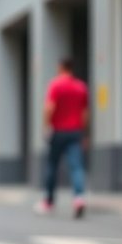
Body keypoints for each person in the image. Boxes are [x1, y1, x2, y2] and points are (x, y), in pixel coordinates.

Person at [36, 58, 89, 218]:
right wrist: (84, 133)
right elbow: (85, 113)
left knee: (52, 166)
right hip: (75, 132)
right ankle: (79, 198)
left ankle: (49, 202)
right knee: (76, 167)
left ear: (60, 67)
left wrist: (46, 127)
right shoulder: (81, 87)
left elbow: (49, 108)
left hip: (58, 131)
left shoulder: (56, 85)